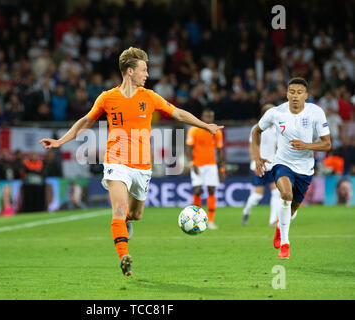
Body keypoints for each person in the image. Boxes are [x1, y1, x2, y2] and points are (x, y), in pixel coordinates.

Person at [40, 47, 223, 277]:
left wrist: (206, 126)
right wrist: (60, 141)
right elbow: (86, 121)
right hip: (116, 163)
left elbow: (177, 113)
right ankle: (124, 257)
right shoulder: (107, 98)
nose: (147, 75)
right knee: (118, 208)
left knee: (135, 215)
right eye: (144, 70)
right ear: (130, 71)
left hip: (142, 167)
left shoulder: (149, 97)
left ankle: (125, 223)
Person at [251, 77, 331, 260]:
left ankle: (280, 226)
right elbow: (256, 131)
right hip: (282, 164)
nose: (295, 96)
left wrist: (306, 145)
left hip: (305, 169)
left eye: (299, 92)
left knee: (292, 208)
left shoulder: (316, 113)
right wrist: (257, 156)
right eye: (292, 92)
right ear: (287, 94)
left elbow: (327, 144)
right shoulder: (275, 113)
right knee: (286, 196)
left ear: (306, 95)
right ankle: (285, 245)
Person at [242, 104, 281, 227]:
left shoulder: (277, 129)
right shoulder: (257, 128)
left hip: (272, 165)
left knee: (276, 193)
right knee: (258, 196)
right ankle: (246, 211)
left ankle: (272, 220)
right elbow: (251, 146)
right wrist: (255, 161)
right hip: (259, 165)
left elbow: (277, 147)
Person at [185, 109, 225, 230]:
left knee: (211, 190)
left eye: (210, 116)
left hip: (211, 165)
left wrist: (221, 169)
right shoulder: (194, 130)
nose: (208, 118)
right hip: (197, 164)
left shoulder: (216, 132)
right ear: (202, 117)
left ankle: (211, 221)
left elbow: (219, 151)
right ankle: (196, 219)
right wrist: (192, 163)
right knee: (197, 190)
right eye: (206, 116)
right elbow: (188, 149)